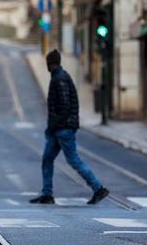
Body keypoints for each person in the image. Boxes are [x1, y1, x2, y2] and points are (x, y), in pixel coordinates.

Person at [30, 49, 109, 205]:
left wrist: (56, 124)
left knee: (74, 160)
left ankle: (98, 188)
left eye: (48, 63)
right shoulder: (59, 77)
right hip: (57, 129)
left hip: (63, 128)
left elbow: (65, 106)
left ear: (51, 63)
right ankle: (47, 194)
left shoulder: (60, 79)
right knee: (47, 158)